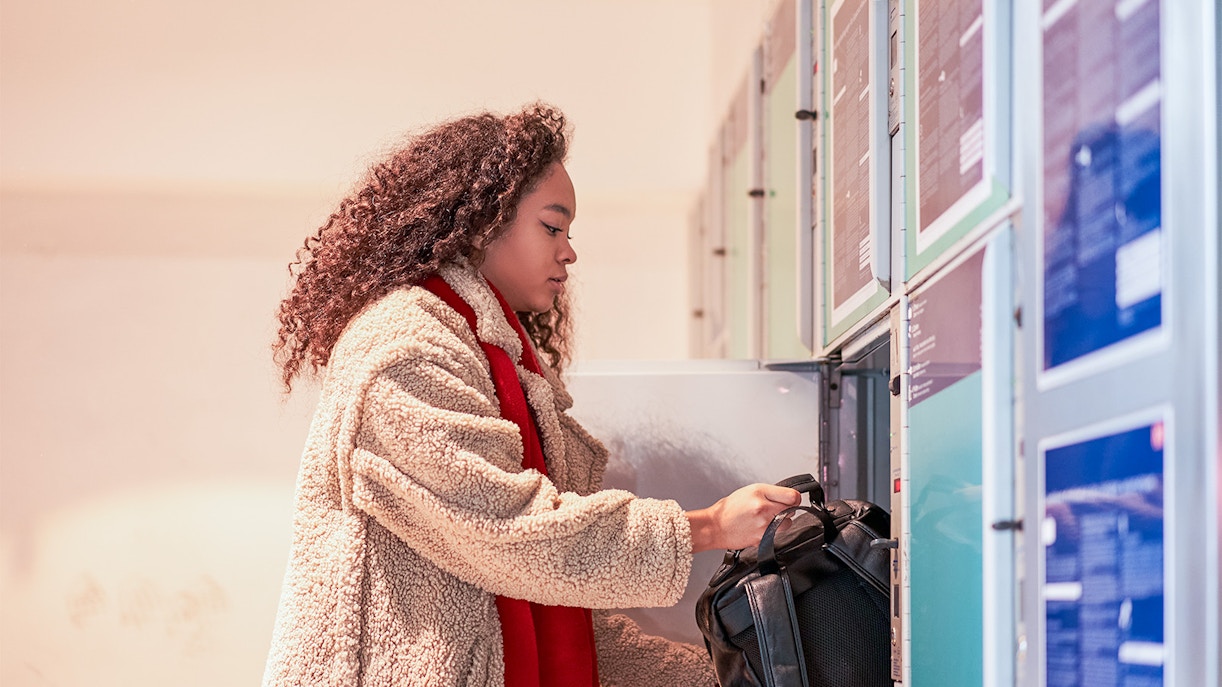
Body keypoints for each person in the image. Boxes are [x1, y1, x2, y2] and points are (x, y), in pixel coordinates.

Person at [263, 102, 800, 687]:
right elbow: (514, 534)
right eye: (552, 226)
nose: (569, 251)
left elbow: (554, 608)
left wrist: (725, 676)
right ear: (481, 223)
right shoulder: (403, 351)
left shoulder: (504, 364)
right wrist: (711, 526)